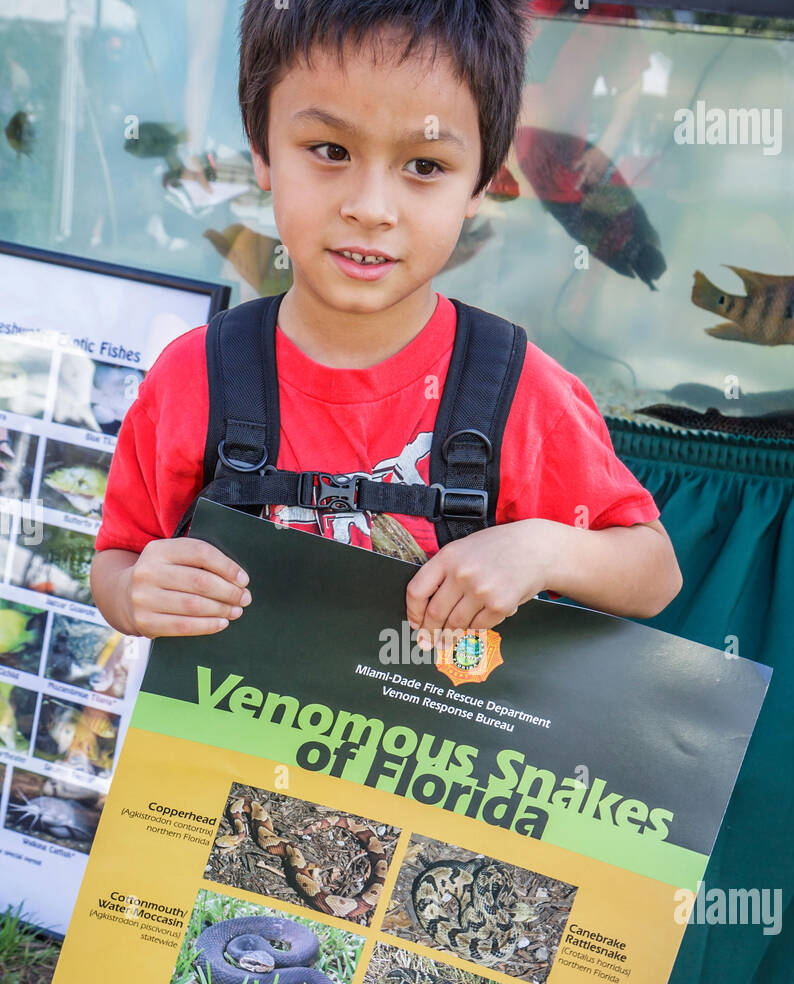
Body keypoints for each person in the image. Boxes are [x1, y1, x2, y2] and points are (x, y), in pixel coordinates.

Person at [91, 0, 681, 645]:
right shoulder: (191, 377)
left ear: (484, 180)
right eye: (329, 150)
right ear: (261, 149)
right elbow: (118, 557)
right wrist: (132, 593)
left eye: (424, 166)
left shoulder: (524, 395)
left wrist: (543, 549)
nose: (371, 208)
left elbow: (654, 575)